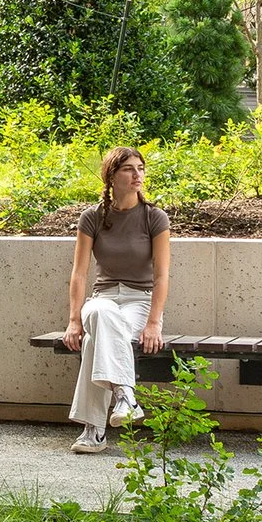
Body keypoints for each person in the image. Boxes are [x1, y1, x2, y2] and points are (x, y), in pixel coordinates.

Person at [59, 145, 171, 454]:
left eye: (141, 168)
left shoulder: (154, 218)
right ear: (112, 176)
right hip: (103, 298)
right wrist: (73, 320)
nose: (138, 175)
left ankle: (93, 431)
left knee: (95, 341)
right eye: (129, 169)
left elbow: (162, 276)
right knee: (98, 314)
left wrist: (154, 323)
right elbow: (79, 273)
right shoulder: (93, 217)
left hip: (140, 301)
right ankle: (126, 395)